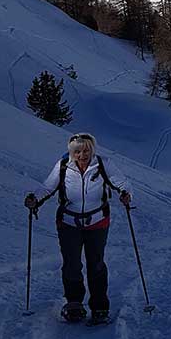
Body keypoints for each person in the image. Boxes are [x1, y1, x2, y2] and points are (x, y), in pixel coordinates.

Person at [23, 133, 132, 324]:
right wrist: (34, 199)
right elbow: (48, 187)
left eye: (86, 150)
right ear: (71, 152)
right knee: (71, 264)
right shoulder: (64, 166)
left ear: (92, 150)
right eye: (77, 151)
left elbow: (121, 182)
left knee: (96, 263)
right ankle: (74, 303)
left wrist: (125, 193)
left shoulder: (103, 164)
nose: (82, 155)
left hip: (98, 221)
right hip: (68, 223)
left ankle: (99, 306)